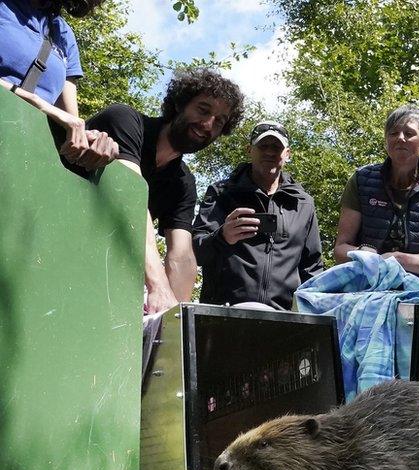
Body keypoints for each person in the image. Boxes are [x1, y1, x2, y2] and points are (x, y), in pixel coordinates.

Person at [86, 68, 245, 313]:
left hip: (101, 272)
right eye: (203, 110)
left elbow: (182, 256)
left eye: (220, 121)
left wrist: (173, 319)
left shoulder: (183, 182)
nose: (208, 125)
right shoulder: (124, 122)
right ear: (179, 104)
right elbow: (130, 200)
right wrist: (157, 286)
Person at [192, 120, 325, 311]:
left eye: (276, 147)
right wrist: (221, 237)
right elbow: (194, 253)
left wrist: (314, 315)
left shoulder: (302, 203)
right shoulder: (223, 193)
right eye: (263, 146)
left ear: (287, 154)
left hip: (284, 321)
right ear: (249, 150)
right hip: (224, 314)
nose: (270, 152)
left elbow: (312, 268)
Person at [334, 104, 419, 283]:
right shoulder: (361, 181)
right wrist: (364, 255)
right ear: (386, 142)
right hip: (364, 282)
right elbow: (340, 249)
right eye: (393, 133)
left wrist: (395, 259)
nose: (400, 138)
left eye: (409, 133)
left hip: (418, 287)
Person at [1, 0, 116, 168]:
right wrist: (38, 103)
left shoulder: (63, 34)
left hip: (24, 157)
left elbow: (70, 121)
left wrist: (94, 141)